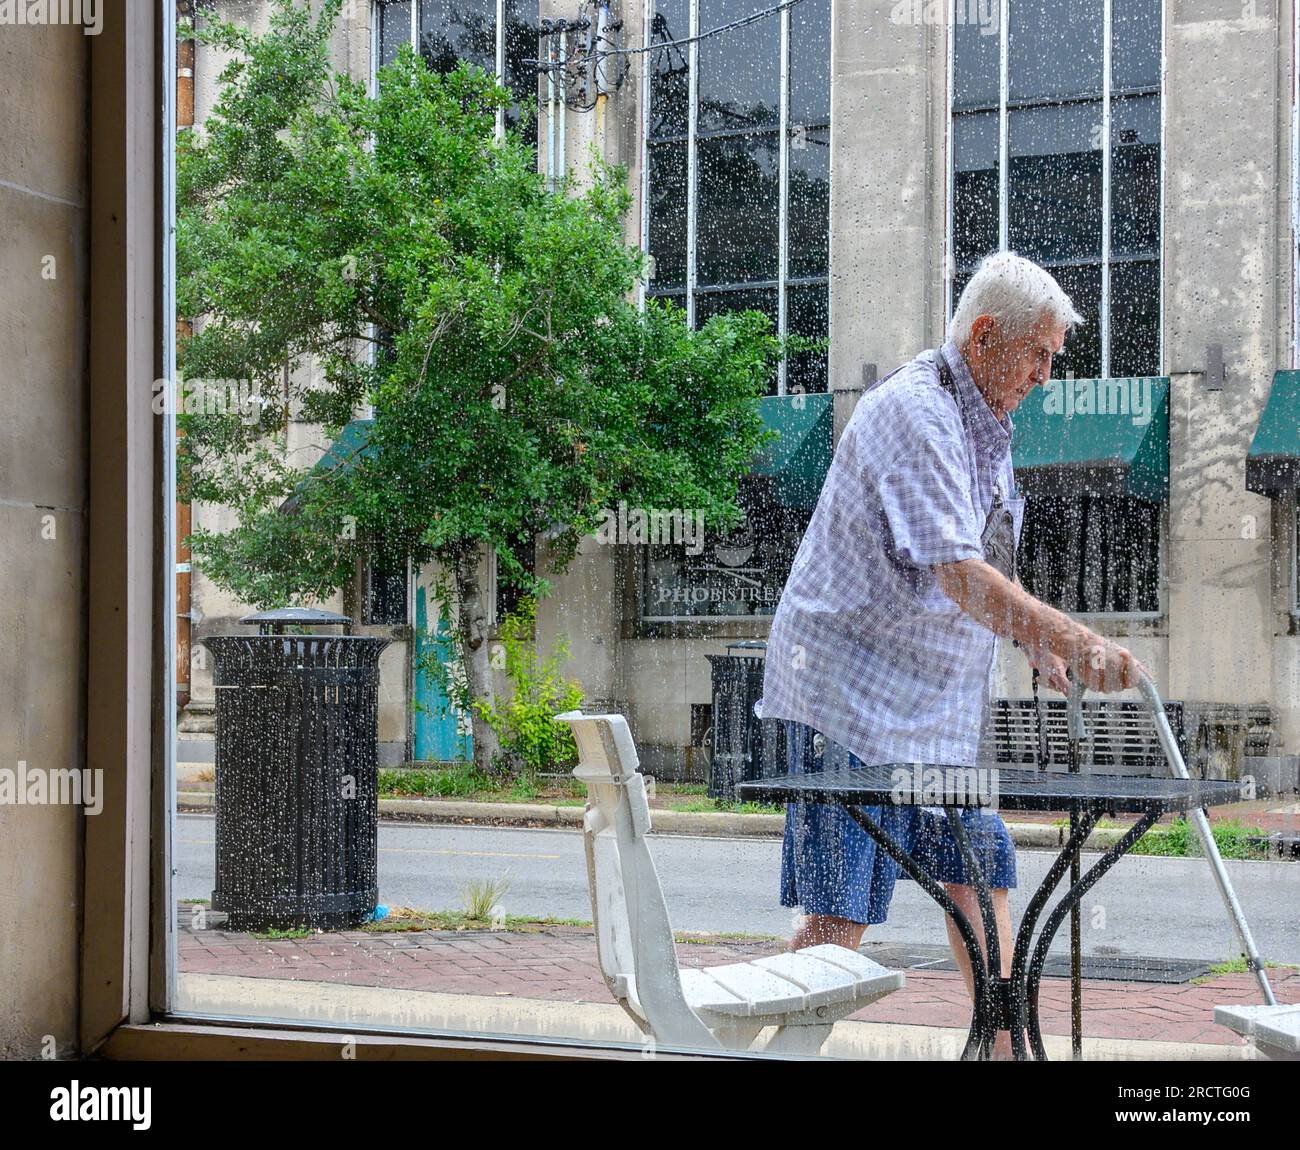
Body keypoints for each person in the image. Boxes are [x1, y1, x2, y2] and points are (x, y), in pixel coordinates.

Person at [759, 251, 1146, 1058]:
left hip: (935, 707)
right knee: (842, 920)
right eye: (1037, 353)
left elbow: (991, 559)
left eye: (1051, 357)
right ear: (983, 337)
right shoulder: (917, 412)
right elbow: (958, 572)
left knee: (982, 869)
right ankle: (761, 1049)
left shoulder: (989, 427)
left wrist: (1038, 649)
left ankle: (1006, 1055)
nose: (1045, 374)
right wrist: (1065, 634)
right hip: (847, 696)